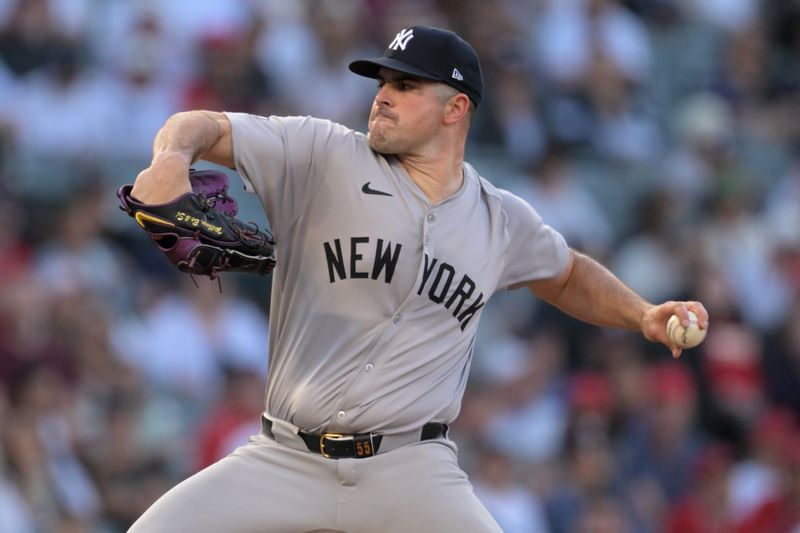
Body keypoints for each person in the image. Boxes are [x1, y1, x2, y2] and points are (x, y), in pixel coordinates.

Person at [126, 26, 709, 532]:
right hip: (285, 457)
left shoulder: (500, 219)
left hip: (411, 472)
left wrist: (641, 314)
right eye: (381, 83)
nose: (382, 97)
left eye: (404, 86)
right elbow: (197, 124)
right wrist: (172, 159)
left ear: (455, 109)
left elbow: (566, 274)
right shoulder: (322, 154)